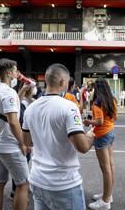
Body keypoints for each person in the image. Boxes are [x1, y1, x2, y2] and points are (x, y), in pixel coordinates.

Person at [22, 63, 94, 210]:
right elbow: (83, 147)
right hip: (63, 184)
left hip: (37, 180)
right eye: (67, 83)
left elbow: (27, 141)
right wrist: (91, 134)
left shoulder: (30, 108)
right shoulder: (69, 107)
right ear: (62, 82)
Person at [0, 58, 30, 210]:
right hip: (9, 145)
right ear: (8, 73)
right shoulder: (8, 92)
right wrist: (22, 143)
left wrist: (22, 90)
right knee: (23, 184)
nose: (17, 74)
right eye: (15, 71)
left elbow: (11, 107)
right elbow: (13, 121)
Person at [84, 78, 117, 210]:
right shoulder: (112, 99)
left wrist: (88, 122)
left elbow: (99, 122)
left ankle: (105, 202)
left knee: (105, 168)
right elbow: (115, 117)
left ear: (97, 88)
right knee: (110, 164)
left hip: (102, 135)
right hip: (111, 132)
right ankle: (108, 194)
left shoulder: (98, 102)